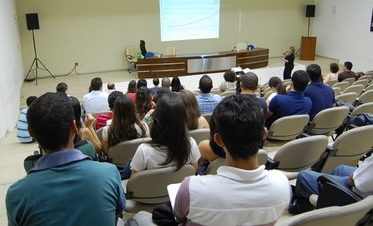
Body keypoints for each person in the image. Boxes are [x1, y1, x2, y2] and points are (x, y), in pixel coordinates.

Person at [6, 92, 125, 226]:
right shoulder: (109, 173)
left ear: (31, 132)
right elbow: (115, 217)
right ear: (75, 127)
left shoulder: (17, 195)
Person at [174, 95, 291, 225]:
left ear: (218, 140)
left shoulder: (191, 189)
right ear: (264, 133)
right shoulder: (283, 185)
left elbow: (179, 217)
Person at [130, 92, 201, 174]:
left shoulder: (144, 150)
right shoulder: (191, 144)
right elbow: (193, 171)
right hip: (180, 186)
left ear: (156, 118)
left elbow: (134, 181)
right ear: (183, 119)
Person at [291, 155, 373, 214]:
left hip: (358, 198)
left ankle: (302, 206)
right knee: (340, 169)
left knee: (303, 177)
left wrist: (356, 175)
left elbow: (353, 181)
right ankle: (316, 199)